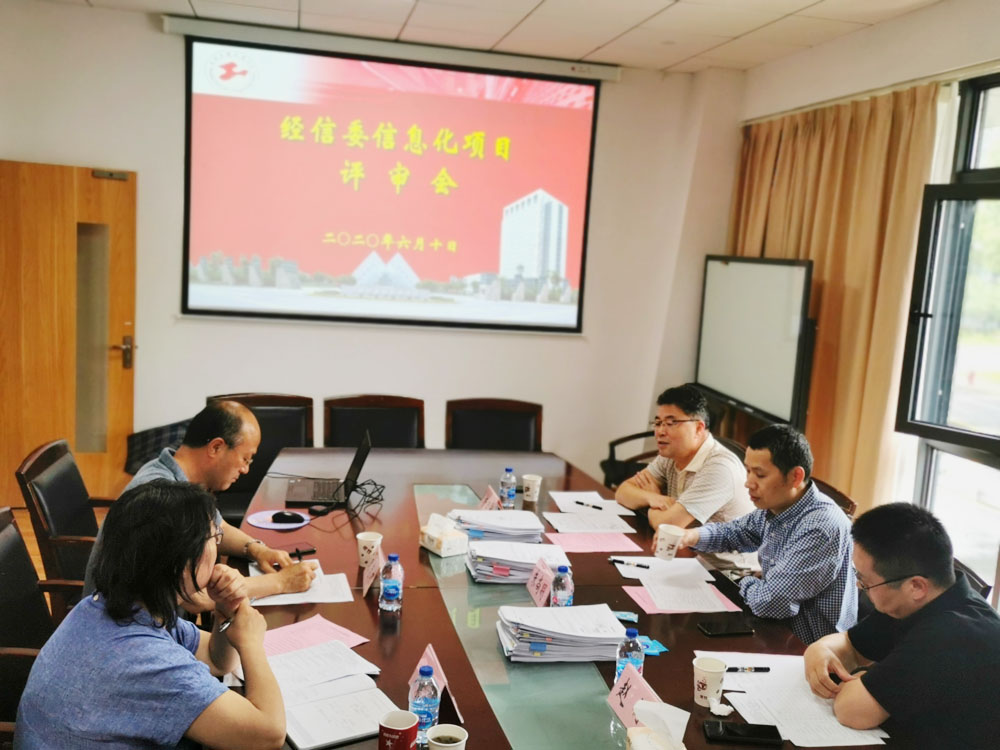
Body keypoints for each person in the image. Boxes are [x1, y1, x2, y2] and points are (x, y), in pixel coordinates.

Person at [15, 480, 286, 749]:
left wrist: (226, 610)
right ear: (179, 561)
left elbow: (217, 659)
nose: (217, 547)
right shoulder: (146, 659)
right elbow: (269, 736)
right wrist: (251, 643)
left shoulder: (114, 605)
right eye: (215, 537)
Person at [804, 503, 1000, 748]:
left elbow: (852, 711)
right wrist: (819, 650)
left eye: (866, 581)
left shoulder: (951, 633)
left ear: (916, 586)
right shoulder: (917, 600)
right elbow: (850, 645)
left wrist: (863, 675)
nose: (859, 586)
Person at [83, 401, 315, 605]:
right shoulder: (163, 495)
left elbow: (217, 526)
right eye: (245, 459)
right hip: (125, 629)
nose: (245, 469)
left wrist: (257, 550)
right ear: (216, 447)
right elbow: (195, 597)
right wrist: (280, 583)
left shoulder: (178, 477)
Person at [674, 424, 857, 643]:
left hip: (807, 645)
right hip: (772, 627)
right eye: (748, 471)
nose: (748, 483)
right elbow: (736, 532)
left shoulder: (820, 527)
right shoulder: (778, 505)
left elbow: (772, 602)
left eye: (760, 475)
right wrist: (691, 536)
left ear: (795, 477)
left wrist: (744, 581)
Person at [616, 385, 756, 571]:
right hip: (689, 557)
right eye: (658, 423)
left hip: (730, 574)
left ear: (698, 428)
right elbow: (623, 492)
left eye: (671, 423)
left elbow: (667, 525)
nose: (660, 431)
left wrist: (651, 505)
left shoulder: (719, 467)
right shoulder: (671, 454)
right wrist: (654, 498)